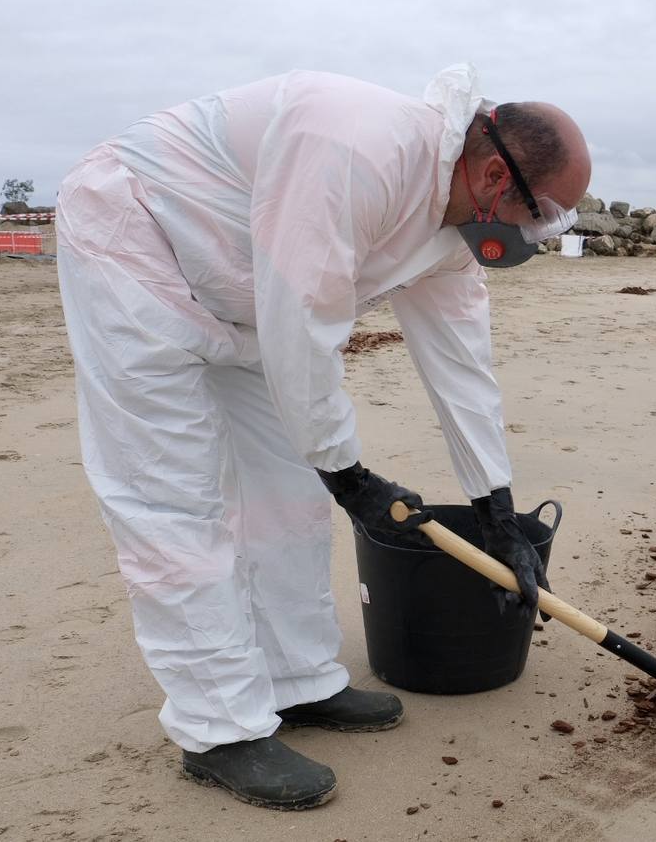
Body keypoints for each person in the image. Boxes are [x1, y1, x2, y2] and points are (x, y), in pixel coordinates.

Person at [55, 65, 590, 809]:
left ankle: (298, 681)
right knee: (172, 500)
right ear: (496, 173)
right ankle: (219, 730)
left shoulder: (455, 227)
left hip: (247, 293)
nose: (534, 236)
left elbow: (463, 368)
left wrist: (496, 505)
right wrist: (353, 479)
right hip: (138, 241)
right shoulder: (358, 149)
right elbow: (304, 320)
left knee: (287, 493)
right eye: (541, 216)